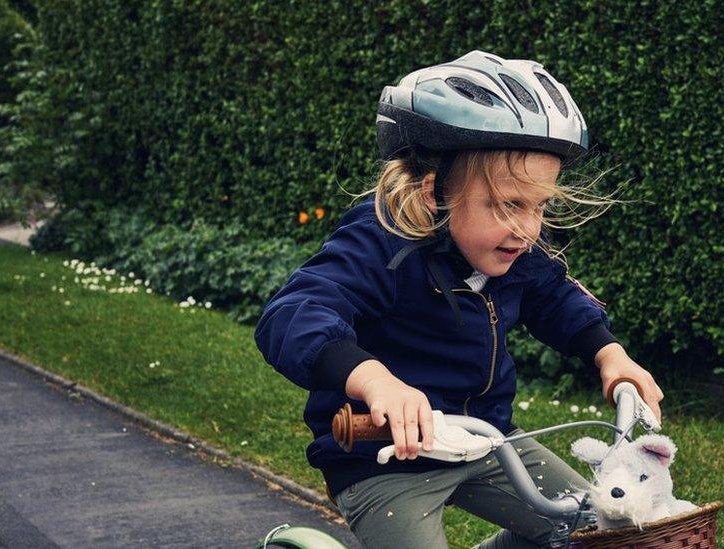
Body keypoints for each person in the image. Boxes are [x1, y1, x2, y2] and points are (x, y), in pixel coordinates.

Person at [254, 49, 664, 549]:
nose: (528, 229)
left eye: (540, 206)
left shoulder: (512, 247)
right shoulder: (380, 241)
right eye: (509, 204)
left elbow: (553, 294)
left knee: (600, 531)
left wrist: (609, 354)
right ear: (434, 192)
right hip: (384, 457)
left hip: (487, 441)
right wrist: (376, 381)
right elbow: (295, 312)